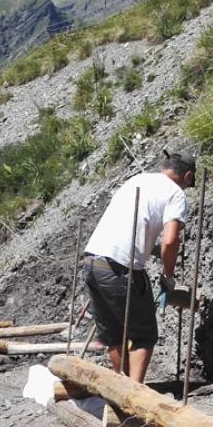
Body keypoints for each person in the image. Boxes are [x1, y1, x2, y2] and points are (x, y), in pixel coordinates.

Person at [83, 146, 196, 383]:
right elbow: (171, 240)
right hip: (120, 269)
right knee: (143, 335)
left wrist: (152, 250)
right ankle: (134, 397)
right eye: (188, 183)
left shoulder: (136, 180)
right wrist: (168, 275)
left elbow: (132, 230)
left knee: (113, 335)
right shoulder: (176, 194)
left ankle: (121, 388)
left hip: (92, 261)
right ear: (186, 177)